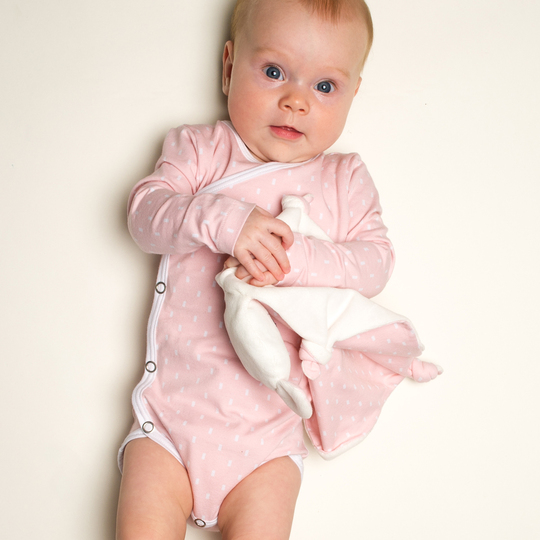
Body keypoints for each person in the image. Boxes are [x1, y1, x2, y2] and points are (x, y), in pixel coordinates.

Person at [116, 1, 422, 538]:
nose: (296, 101)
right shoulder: (204, 149)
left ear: (353, 94)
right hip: (168, 422)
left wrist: (294, 259)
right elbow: (145, 215)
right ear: (229, 66)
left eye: (325, 86)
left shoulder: (343, 179)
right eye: (275, 72)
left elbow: (376, 263)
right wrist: (226, 222)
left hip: (267, 444)